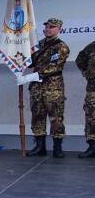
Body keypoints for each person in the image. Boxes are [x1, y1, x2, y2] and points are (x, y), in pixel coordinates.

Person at [26, 18, 71, 158]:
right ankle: (40, 147)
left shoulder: (61, 47)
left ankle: (57, 148)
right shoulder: (38, 45)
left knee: (56, 118)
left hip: (53, 88)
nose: (48, 29)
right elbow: (30, 63)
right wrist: (22, 55)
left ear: (59, 29)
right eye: (46, 26)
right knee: (37, 117)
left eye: (52, 27)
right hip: (37, 88)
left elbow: (53, 67)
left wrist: (30, 77)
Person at [77, 39, 95, 158]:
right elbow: (80, 59)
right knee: (91, 118)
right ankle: (92, 147)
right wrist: (87, 72)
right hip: (93, 89)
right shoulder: (92, 47)